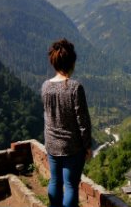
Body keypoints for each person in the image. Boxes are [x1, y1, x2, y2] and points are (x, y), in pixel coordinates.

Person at [41, 38, 92, 207]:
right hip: (72, 147)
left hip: (51, 144)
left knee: (55, 182)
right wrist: (87, 146)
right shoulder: (75, 87)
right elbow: (83, 121)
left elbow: (48, 115)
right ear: (72, 63)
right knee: (70, 185)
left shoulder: (45, 86)